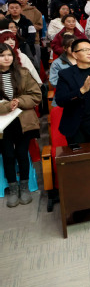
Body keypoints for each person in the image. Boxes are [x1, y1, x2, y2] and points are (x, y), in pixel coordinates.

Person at [0, 43, 41, 207]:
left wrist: (19, 101)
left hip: (22, 120)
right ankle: (13, 188)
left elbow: (36, 95)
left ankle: (24, 187)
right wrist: (5, 107)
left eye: (9, 55)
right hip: (2, 123)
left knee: (22, 153)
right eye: (2, 55)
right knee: (8, 155)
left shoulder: (23, 73)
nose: (7, 58)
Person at [49, 34, 76, 107]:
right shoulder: (57, 63)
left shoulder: (84, 60)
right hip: (64, 97)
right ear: (65, 48)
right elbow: (54, 81)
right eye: (71, 46)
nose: (74, 48)